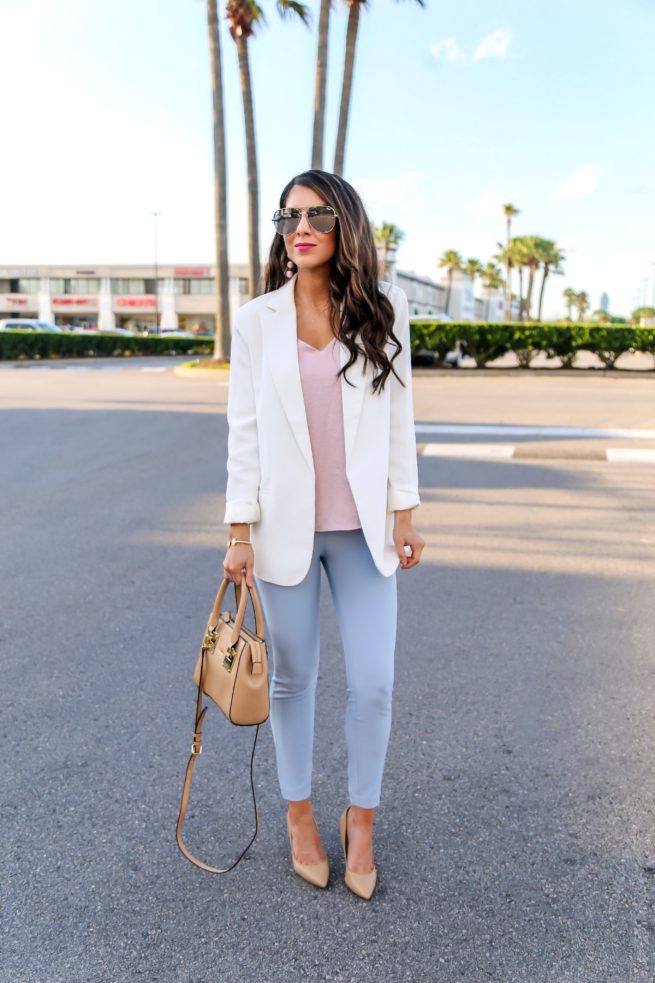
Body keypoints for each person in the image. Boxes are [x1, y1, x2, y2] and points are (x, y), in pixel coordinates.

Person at [222, 169, 424, 899]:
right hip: (283, 529)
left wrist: (405, 508)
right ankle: (300, 814)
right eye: (288, 216)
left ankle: (360, 819)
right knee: (292, 678)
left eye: (316, 214)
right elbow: (243, 430)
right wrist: (238, 526)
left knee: (374, 681)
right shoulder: (256, 321)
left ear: (345, 226)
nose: (299, 227)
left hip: (364, 527)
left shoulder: (385, 307)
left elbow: (399, 418)